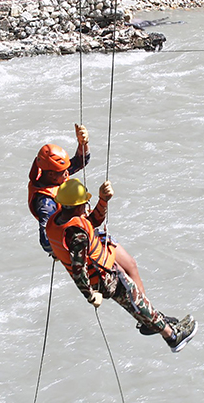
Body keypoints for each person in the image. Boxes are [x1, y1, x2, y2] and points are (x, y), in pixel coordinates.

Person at [46, 178, 197, 352]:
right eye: (84, 203)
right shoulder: (76, 235)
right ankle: (172, 337)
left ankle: (156, 324)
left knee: (136, 303)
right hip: (105, 278)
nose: (86, 206)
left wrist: (103, 200)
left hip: (103, 273)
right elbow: (78, 269)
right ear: (76, 206)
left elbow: (91, 222)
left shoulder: (59, 220)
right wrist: (90, 295)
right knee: (137, 302)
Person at [27, 125, 148, 297]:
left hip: (87, 229)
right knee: (121, 276)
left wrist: (83, 143)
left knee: (131, 265)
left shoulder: (55, 175)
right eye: (63, 172)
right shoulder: (45, 202)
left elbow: (81, 161)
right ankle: (149, 320)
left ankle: (152, 318)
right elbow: (46, 241)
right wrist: (69, 248)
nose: (67, 173)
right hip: (81, 242)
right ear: (52, 175)